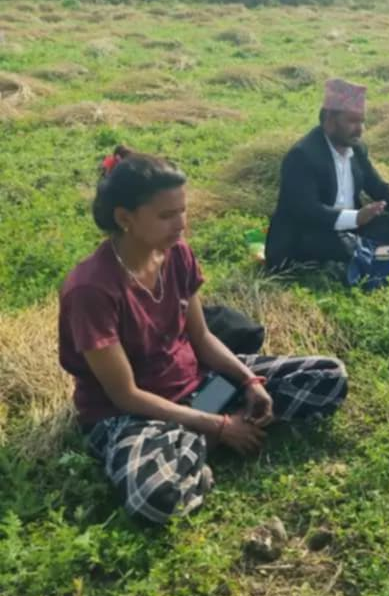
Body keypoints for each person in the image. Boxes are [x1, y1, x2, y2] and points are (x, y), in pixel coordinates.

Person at [59, 146, 348, 524]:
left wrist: (249, 381)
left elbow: (201, 337)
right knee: (154, 498)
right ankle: (205, 437)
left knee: (328, 375)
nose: (180, 224)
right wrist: (221, 425)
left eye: (182, 211)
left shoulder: (176, 254)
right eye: (166, 216)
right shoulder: (91, 290)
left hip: (201, 390)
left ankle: (194, 442)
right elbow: (125, 395)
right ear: (125, 218)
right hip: (132, 416)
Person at [265, 78, 389, 271]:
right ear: (329, 120)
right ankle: (361, 253)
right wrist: (356, 218)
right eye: (352, 121)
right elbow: (308, 211)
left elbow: (377, 185)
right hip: (310, 232)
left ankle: (362, 251)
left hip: (351, 228)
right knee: (337, 243)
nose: (360, 129)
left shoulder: (356, 148)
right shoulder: (302, 156)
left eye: (362, 121)